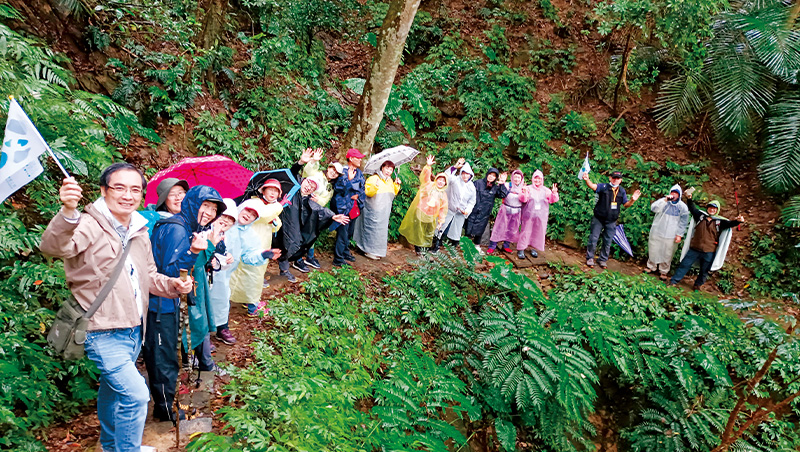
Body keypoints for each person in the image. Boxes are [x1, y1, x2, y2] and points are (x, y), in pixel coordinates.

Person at [40, 163, 192, 452]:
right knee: (136, 395)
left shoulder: (138, 229)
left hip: (135, 328)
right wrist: (68, 212)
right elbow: (55, 248)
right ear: (103, 190)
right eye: (119, 188)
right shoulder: (87, 223)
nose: (128, 195)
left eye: (135, 189)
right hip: (101, 329)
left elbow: (149, 276)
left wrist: (174, 286)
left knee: (112, 390)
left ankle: (111, 444)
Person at [146, 185, 225, 423]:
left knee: (167, 356)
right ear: (192, 203)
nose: (210, 213)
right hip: (160, 306)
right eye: (206, 206)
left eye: (214, 209)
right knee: (163, 359)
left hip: (166, 304)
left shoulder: (185, 227)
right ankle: (165, 410)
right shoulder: (177, 230)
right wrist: (192, 251)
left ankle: (166, 405)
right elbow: (169, 273)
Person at [209, 199, 281, 342]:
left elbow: (249, 255)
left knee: (222, 299)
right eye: (247, 210)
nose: (248, 215)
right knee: (204, 300)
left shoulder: (249, 235)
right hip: (207, 268)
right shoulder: (223, 221)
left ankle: (222, 327)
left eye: (253, 215)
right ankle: (203, 335)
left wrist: (263, 254)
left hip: (225, 274)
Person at [278, 151, 350, 280]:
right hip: (276, 218)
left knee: (290, 239)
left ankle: (285, 268)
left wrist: (332, 216)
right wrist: (308, 161)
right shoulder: (293, 186)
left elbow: (318, 206)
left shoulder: (321, 192)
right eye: (332, 169)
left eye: (312, 187)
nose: (309, 187)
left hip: (294, 219)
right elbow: (295, 172)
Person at [229, 179, 283, 315]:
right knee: (248, 273)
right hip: (248, 243)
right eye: (270, 189)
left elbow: (275, 224)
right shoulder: (253, 202)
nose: (273, 193)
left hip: (263, 243)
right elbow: (264, 215)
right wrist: (279, 207)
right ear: (262, 190)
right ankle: (252, 305)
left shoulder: (273, 206)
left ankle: (249, 301)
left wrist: (275, 222)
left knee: (256, 274)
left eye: (276, 191)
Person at [669, 196, 744, 289]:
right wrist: (689, 199)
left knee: (705, 270)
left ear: (717, 210)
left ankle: (697, 285)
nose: (712, 210)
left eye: (714, 208)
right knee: (685, 264)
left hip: (709, 251)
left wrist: (738, 221)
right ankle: (674, 281)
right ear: (707, 208)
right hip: (694, 248)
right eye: (710, 207)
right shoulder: (700, 216)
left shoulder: (720, 222)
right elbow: (692, 208)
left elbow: (730, 224)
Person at [582, 170, 641, 268]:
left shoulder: (622, 191)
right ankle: (590, 258)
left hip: (612, 221)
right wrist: (587, 180)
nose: (615, 180)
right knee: (593, 238)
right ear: (610, 178)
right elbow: (593, 186)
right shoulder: (604, 187)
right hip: (599, 218)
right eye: (613, 178)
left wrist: (632, 200)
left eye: (617, 178)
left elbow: (626, 205)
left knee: (608, 240)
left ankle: (602, 259)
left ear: (621, 180)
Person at [298, 148, 344, 269]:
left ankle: (309, 257)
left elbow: (325, 200)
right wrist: (313, 160)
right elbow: (307, 171)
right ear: (328, 167)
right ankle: (297, 258)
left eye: (336, 172)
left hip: (315, 212)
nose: (333, 172)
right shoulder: (317, 173)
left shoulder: (330, 187)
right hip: (303, 207)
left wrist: (319, 200)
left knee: (312, 233)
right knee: (301, 233)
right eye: (332, 169)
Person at [398, 155, 449, 255]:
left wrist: (441, 221)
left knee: (427, 233)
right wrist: (428, 166)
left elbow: (443, 208)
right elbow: (425, 178)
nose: (440, 182)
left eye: (443, 181)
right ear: (436, 179)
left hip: (431, 216)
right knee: (419, 231)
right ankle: (418, 250)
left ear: (445, 183)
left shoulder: (443, 194)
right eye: (439, 179)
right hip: (421, 211)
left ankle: (424, 250)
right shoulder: (429, 185)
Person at [353, 160, 401, 260]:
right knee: (371, 229)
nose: (388, 171)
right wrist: (376, 186)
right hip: (372, 210)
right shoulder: (373, 178)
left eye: (391, 169)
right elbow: (368, 192)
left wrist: (396, 185)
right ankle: (367, 250)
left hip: (384, 212)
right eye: (387, 168)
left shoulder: (390, 181)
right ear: (382, 168)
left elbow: (392, 194)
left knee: (380, 232)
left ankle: (377, 250)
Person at [330, 148, 366, 267]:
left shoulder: (359, 172)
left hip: (354, 207)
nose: (360, 160)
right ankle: (338, 258)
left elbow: (362, 188)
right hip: (343, 207)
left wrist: (358, 196)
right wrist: (349, 181)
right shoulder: (343, 172)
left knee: (349, 232)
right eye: (358, 157)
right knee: (342, 233)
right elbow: (339, 189)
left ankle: (345, 252)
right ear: (351, 159)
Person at [646, 185, 690, 280]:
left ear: (679, 195)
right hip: (658, 230)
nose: (674, 195)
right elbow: (653, 208)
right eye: (672, 192)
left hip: (671, 234)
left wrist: (679, 235)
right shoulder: (664, 202)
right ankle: (651, 266)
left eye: (676, 193)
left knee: (667, 253)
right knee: (654, 249)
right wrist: (664, 200)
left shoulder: (683, 207)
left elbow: (683, 222)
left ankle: (663, 271)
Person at [516, 170, 559, 259]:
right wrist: (523, 192)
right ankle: (521, 249)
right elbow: (523, 199)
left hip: (541, 216)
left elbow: (552, 200)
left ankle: (534, 248)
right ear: (532, 179)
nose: (537, 181)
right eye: (535, 179)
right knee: (525, 231)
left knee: (538, 232)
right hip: (529, 215)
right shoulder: (528, 188)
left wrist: (554, 193)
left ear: (542, 180)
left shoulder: (546, 190)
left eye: (539, 179)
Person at [437, 157, 476, 250]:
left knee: (456, 230)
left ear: (471, 175)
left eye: (467, 174)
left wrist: (467, 210)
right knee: (441, 227)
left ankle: (453, 247)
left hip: (460, 212)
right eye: (463, 173)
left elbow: (472, 201)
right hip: (449, 208)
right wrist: (455, 167)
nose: (465, 176)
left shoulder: (472, 187)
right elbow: (446, 176)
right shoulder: (455, 180)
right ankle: (437, 244)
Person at [464, 168, 508, 248]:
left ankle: (477, 246)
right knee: (468, 227)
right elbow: (468, 193)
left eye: (494, 176)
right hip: (473, 210)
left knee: (480, 230)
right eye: (490, 174)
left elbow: (503, 195)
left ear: (496, 178)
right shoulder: (478, 183)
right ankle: (466, 245)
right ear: (487, 174)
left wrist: (502, 184)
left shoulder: (495, 187)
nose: (491, 177)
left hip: (484, 212)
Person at [488, 169, 528, 254]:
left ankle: (506, 245)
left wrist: (524, 193)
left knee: (512, 230)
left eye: (519, 177)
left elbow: (525, 201)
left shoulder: (524, 188)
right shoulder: (507, 185)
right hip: (505, 210)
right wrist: (501, 182)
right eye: (515, 177)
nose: (517, 179)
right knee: (499, 227)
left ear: (521, 179)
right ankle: (492, 246)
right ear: (512, 177)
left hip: (517, 211)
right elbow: (499, 192)